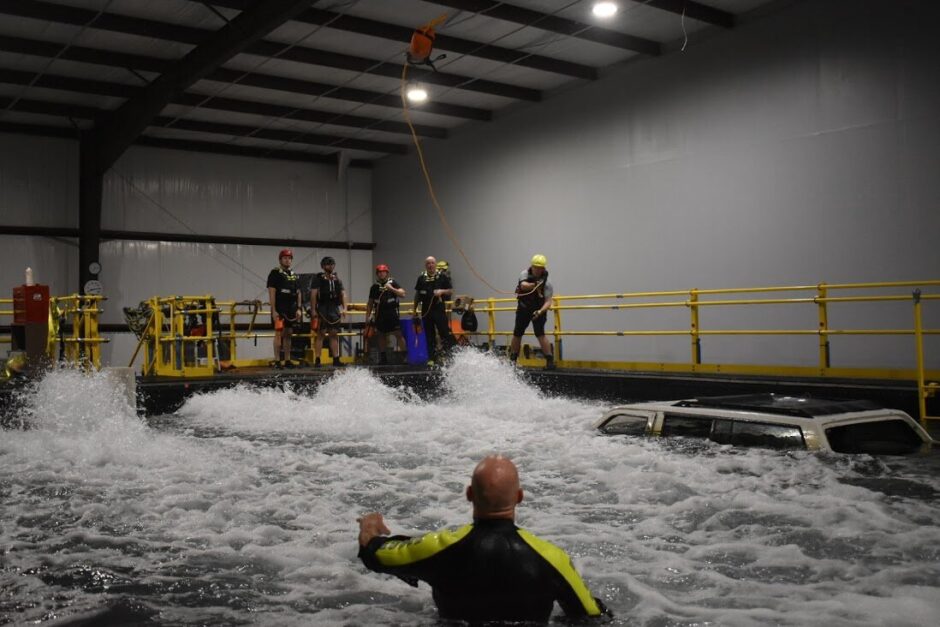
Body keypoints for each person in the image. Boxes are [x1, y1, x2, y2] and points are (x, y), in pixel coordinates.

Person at [357, 455, 610, 624]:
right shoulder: (552, 558)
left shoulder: (438, 548)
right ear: (520, 497)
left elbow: (374, 554)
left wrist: (369, 523)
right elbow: (591, 616)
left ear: (469, 494)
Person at [510, 254, 556, 370]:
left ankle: (550, 361)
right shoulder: (524, 274)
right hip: (523, 308)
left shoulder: (548, 283)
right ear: (532, 266)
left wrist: (540, 312)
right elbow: (523, 286)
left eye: (540, 267)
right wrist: (535, 285)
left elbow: (548, 302)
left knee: (540, 334)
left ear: (544, 268)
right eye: (535, 267)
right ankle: (512, 360)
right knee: (517, 333)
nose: (537, 269)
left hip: (538, 309)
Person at [413, 255, 456, 365]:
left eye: (432, 263)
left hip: (438, 309)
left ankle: (449, 356)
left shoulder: (442, 276)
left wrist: (441, 291)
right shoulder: (421, 278)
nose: (430, 265)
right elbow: (417, 295)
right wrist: (415, 310)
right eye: (428, 263)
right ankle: (432, 358)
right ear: (425, 265)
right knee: (429, 334)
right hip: (426, 310)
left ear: (435, 264)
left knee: (444, 332)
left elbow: (450, 291)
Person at [266, 248, 302, 368]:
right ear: (280, 260)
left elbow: (298, 293)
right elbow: (272, 292)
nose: (287, 260)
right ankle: (277, 360)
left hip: (291, 308)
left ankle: (287, 360)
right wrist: (274, 310)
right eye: (285, 258)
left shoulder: (294, 275)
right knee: (278, 333)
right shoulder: (275, 273)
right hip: (280, 307)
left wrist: (299, 308)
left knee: (288, 334)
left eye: (289, 258)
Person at [311, 256, 348, 367]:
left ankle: (336, 359)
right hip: (322, 307)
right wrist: (313, 310)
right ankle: (317, 360)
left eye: (332, 264)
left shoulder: (337, 280)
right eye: (328, 264)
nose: (330, 266)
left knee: (334, 334)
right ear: (323, 266)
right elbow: (313, 294)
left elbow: (343, 294)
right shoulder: (318, 279)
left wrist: (345, 308)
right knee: (321, 334)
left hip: (334, 308)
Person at [366, 264, 406, 365]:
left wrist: (391, 289)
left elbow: (403, 294)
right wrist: (368, 316)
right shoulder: (374, 287)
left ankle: (405, 356)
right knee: (381, 335)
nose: (381, 274)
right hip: (380, 314)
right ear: (377, 274)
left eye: (383, 272)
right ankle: (383, 358)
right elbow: (370, 303)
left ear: (387, 273)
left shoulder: (393, 282)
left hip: (392, 313)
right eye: (379, 272)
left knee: (398, 334)